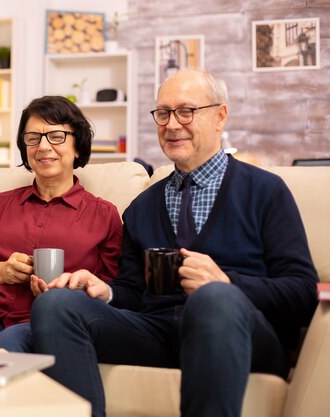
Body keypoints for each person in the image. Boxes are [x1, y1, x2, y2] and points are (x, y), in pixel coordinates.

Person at [30, 70, 318, 417]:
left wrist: (228, 283)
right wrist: (104, 291)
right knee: (55, 305)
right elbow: (133, 292)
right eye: (163, 113)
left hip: (240, 332)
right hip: (159, 332)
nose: (171, 124)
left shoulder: (265, 192)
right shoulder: (142, 207)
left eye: (186, 111)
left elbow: (303, 294)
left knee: (214, 298)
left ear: (220, 116)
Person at [0, 95, 122, 353]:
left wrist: (63, 296)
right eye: (33, 138)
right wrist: (2, 271)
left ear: (77, 146)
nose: (43, 147)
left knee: (7, 347)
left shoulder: (103, 215)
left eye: (56, 136)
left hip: (48, 324)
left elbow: (113, 292)